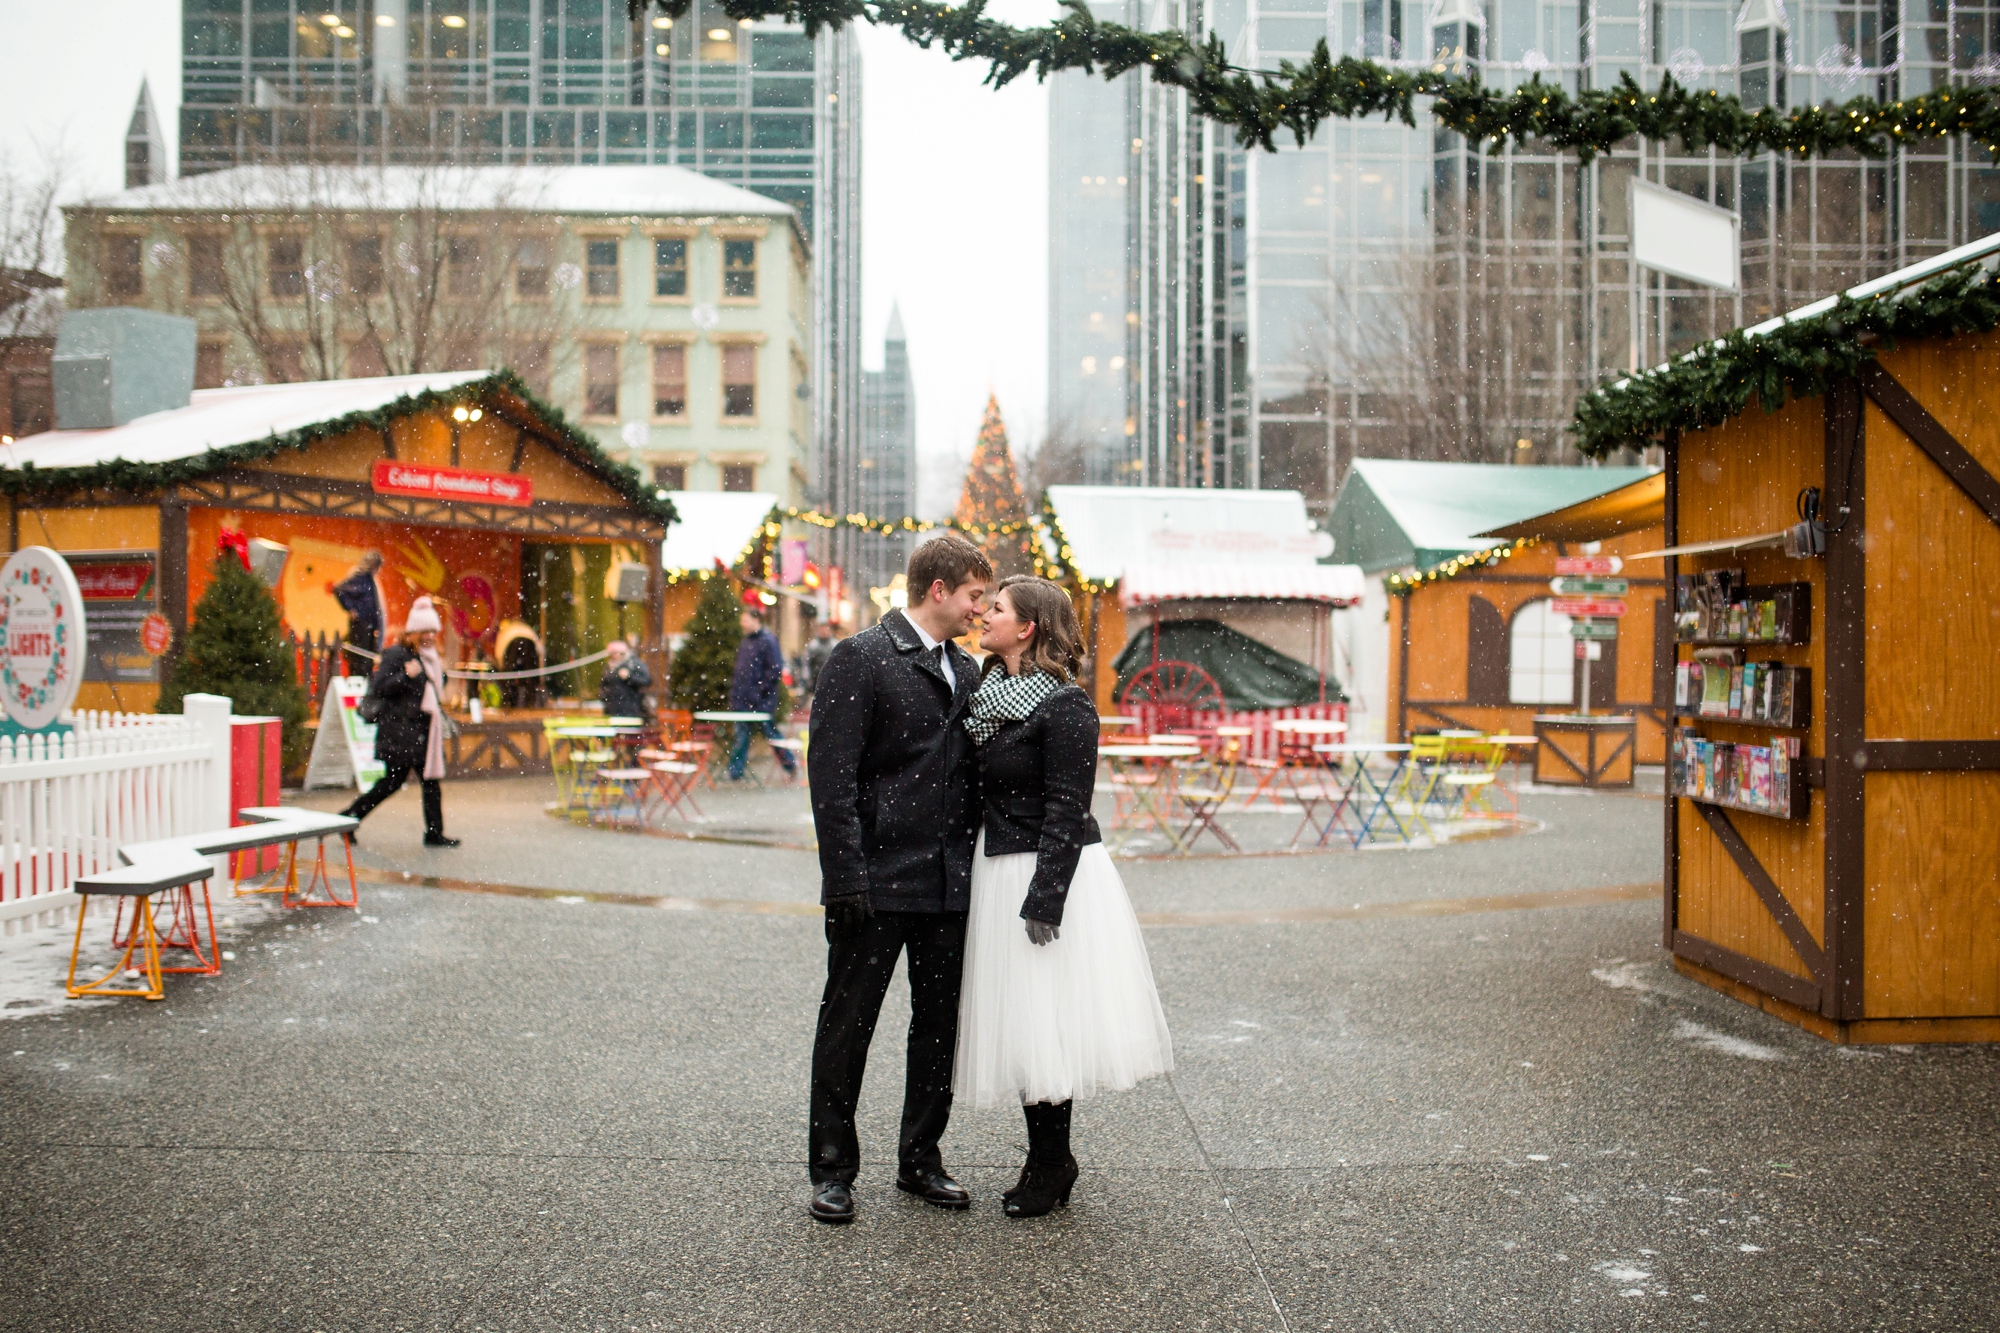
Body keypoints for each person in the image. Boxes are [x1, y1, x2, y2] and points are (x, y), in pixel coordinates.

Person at [954, 575, 1174, 1219]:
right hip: (998, 868)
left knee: (1043, 1016)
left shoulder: (1066, 706)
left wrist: (1045, 897)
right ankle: (1048, 1156)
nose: (984, 615)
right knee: (1022, 1018)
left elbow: (1068, 805)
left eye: (996, 609)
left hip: (1051, 874)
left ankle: (1052, 1160)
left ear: (1027, 628)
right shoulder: (986, 695)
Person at [804, 533, 994, 1224]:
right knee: (849, 1024)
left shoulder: (969, 671)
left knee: (937, 1027)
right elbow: (831, 777)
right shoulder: (860, 658)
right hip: (876, 883)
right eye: (974, 593)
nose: (980, 607)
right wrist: (845, 878)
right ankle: (831, 1169)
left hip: (948, 885)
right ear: (938, 589)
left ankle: (920, 1158)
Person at [340, 596, 461, 848]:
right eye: (424, 631)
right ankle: (349, 817)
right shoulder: (397, 655)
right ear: (412, 632)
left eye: (432, 631)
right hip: (400, 733)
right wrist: (405, 675)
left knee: (430, 784)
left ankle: (434, 833)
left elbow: (434, 688)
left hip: (423, 733)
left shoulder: (431, 658)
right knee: (391, 784)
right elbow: (380, 687)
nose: (429, 636)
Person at [725, 606, 796, 781]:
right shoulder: (746, 642)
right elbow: (741, 672)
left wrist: (758, 690)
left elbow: (774, 670)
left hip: (761, 701)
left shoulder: (767, 641)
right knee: (741, 736)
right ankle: (735, 771)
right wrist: (737, 693)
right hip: (743, 699)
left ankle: (790, 764)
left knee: (770, 734)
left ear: (756, 620)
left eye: (745, 619)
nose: (742, 623)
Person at [332, 550, 385, 677]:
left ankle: (363, 678)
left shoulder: (369, 580)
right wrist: (351, 609)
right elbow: (339, 589)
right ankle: (359, 679)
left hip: (368, 625)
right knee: (360, 658)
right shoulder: (360, 578)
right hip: (362, 625)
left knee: (366, 659)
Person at [598, 639, 652, 719]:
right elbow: (603, 684)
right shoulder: (609, 667)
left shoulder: (634, 664)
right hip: (611, 709)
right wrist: (604, 697)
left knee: (628, 730)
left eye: (618, 653)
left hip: (631, 709)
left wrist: (629, 676)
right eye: (613, 653)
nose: (615, 655)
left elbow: (647, 680)